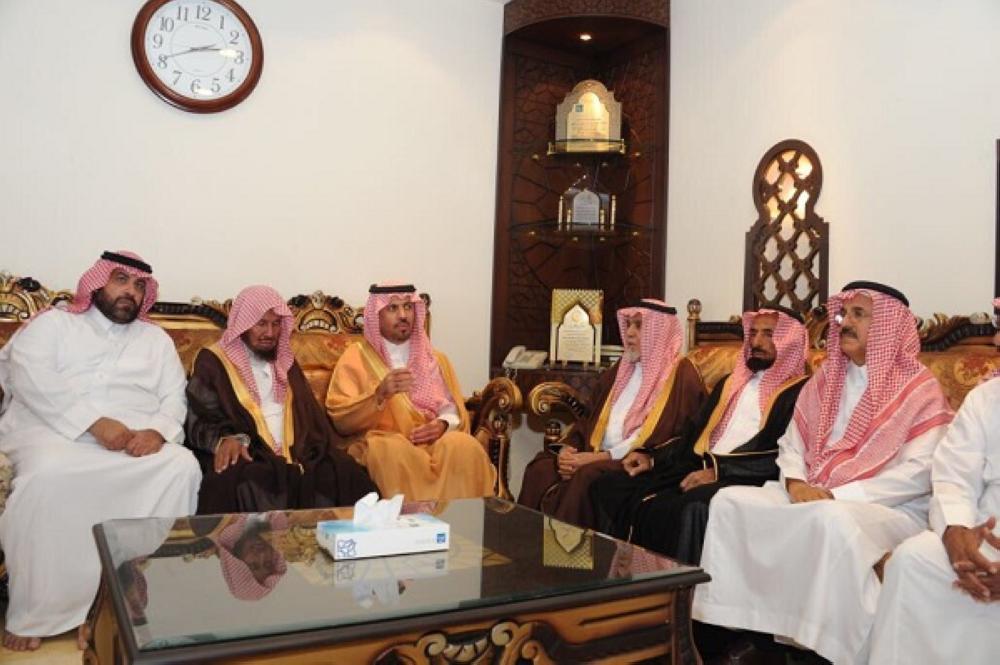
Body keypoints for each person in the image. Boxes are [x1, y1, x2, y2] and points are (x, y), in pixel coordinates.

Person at [692, 281, 953, 665]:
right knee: (729, 502)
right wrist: (797, 482)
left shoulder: (919, 388)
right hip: (815, 491)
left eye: (859, 315)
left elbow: (919, 472)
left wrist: (836, 495)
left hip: (889, 507)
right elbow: (791, 443)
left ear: (887, 326)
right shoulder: (828, 377)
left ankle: (830, 649)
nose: (845, 322)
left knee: (829, 520)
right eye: (844, 314)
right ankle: (755, 634)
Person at [0, 251, 201, 652]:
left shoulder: (156, 340)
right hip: (54, 433)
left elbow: (174, 399)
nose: (130, 291)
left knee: (181, 466)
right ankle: (39, 612)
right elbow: (30, 376)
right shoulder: (55, 324)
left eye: (139, 285)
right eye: (120, 280)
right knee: (47, 477)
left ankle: (119, 606)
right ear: (96, 283)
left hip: (135, 439)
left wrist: (157, 433)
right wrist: (94, 423)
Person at [591, 308, 809, 563]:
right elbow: (692, 435)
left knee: (689, 508)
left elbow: (784, 455)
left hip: (743, 477)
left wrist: (719, 471)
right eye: (753, 333)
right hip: (696, 467)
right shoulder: (730, 383)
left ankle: (677, 586)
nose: (756, 342)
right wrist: (653, 459)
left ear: (790, 340)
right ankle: (616, 574)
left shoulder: (800, 393)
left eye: (768, 334)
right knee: (609, 486)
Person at [869, 298, 1000, 664]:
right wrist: (956, 533)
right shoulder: (986, 399)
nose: (997, 341)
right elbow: (954, 475)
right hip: (983, 533)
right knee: (913, 560)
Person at [185, 285, 375, 514]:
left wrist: (309, 448)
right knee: (238, 480)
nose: (270, 333)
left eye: (276, 324)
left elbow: (309, 413)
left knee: (344, 471)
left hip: (297, 450)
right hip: (249, 449)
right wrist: (224, 439)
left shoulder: (285, 360)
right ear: (243, 325)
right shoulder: (213, 361)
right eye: (261, 324)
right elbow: (200, 415)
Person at [517, 299, 706, 528]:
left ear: (659, 333)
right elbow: (588, 420)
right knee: (540, 469)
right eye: (628, 325)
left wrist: (599, 458)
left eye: (639, 326)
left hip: (634, 462)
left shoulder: (681, 375)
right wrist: (567, 451)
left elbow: (670, 438)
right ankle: (524, 544)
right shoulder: (620, 369)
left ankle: (567, 550)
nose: (630, 333)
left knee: (586, 476)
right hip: (593, 453)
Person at [326, 284, 495, 501]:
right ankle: (410, 521)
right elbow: (341, 419)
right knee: (391, 451)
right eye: (393, 308)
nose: (403, 315)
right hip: (386, 440)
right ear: (376, 315)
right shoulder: (355, 358)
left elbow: (453, 409)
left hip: (434, 442)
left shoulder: (436, 359)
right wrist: (379, 395)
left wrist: (443, 424)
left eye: (407, 307)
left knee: (464, 446)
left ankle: (461, 520)